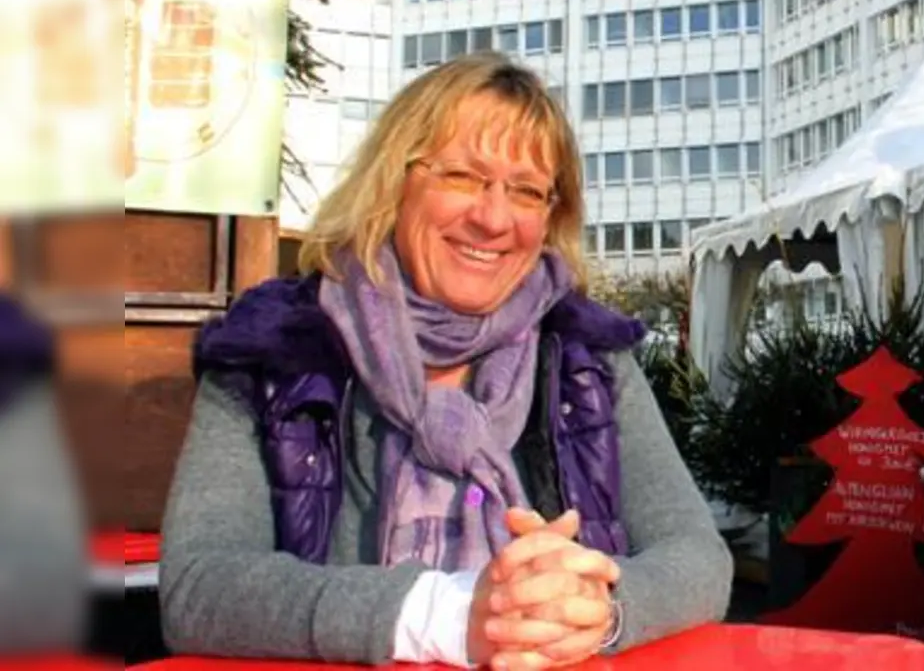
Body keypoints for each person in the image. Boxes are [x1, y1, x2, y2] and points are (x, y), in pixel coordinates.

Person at [160, 54, 732, 669]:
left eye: (526, 191)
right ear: (393, 181)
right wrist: (447, 613)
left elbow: (699, 555)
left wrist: (596, 608)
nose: (492, 217)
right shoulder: (273, 353)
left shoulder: (587, 359)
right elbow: (198, 587)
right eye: (462, 176)